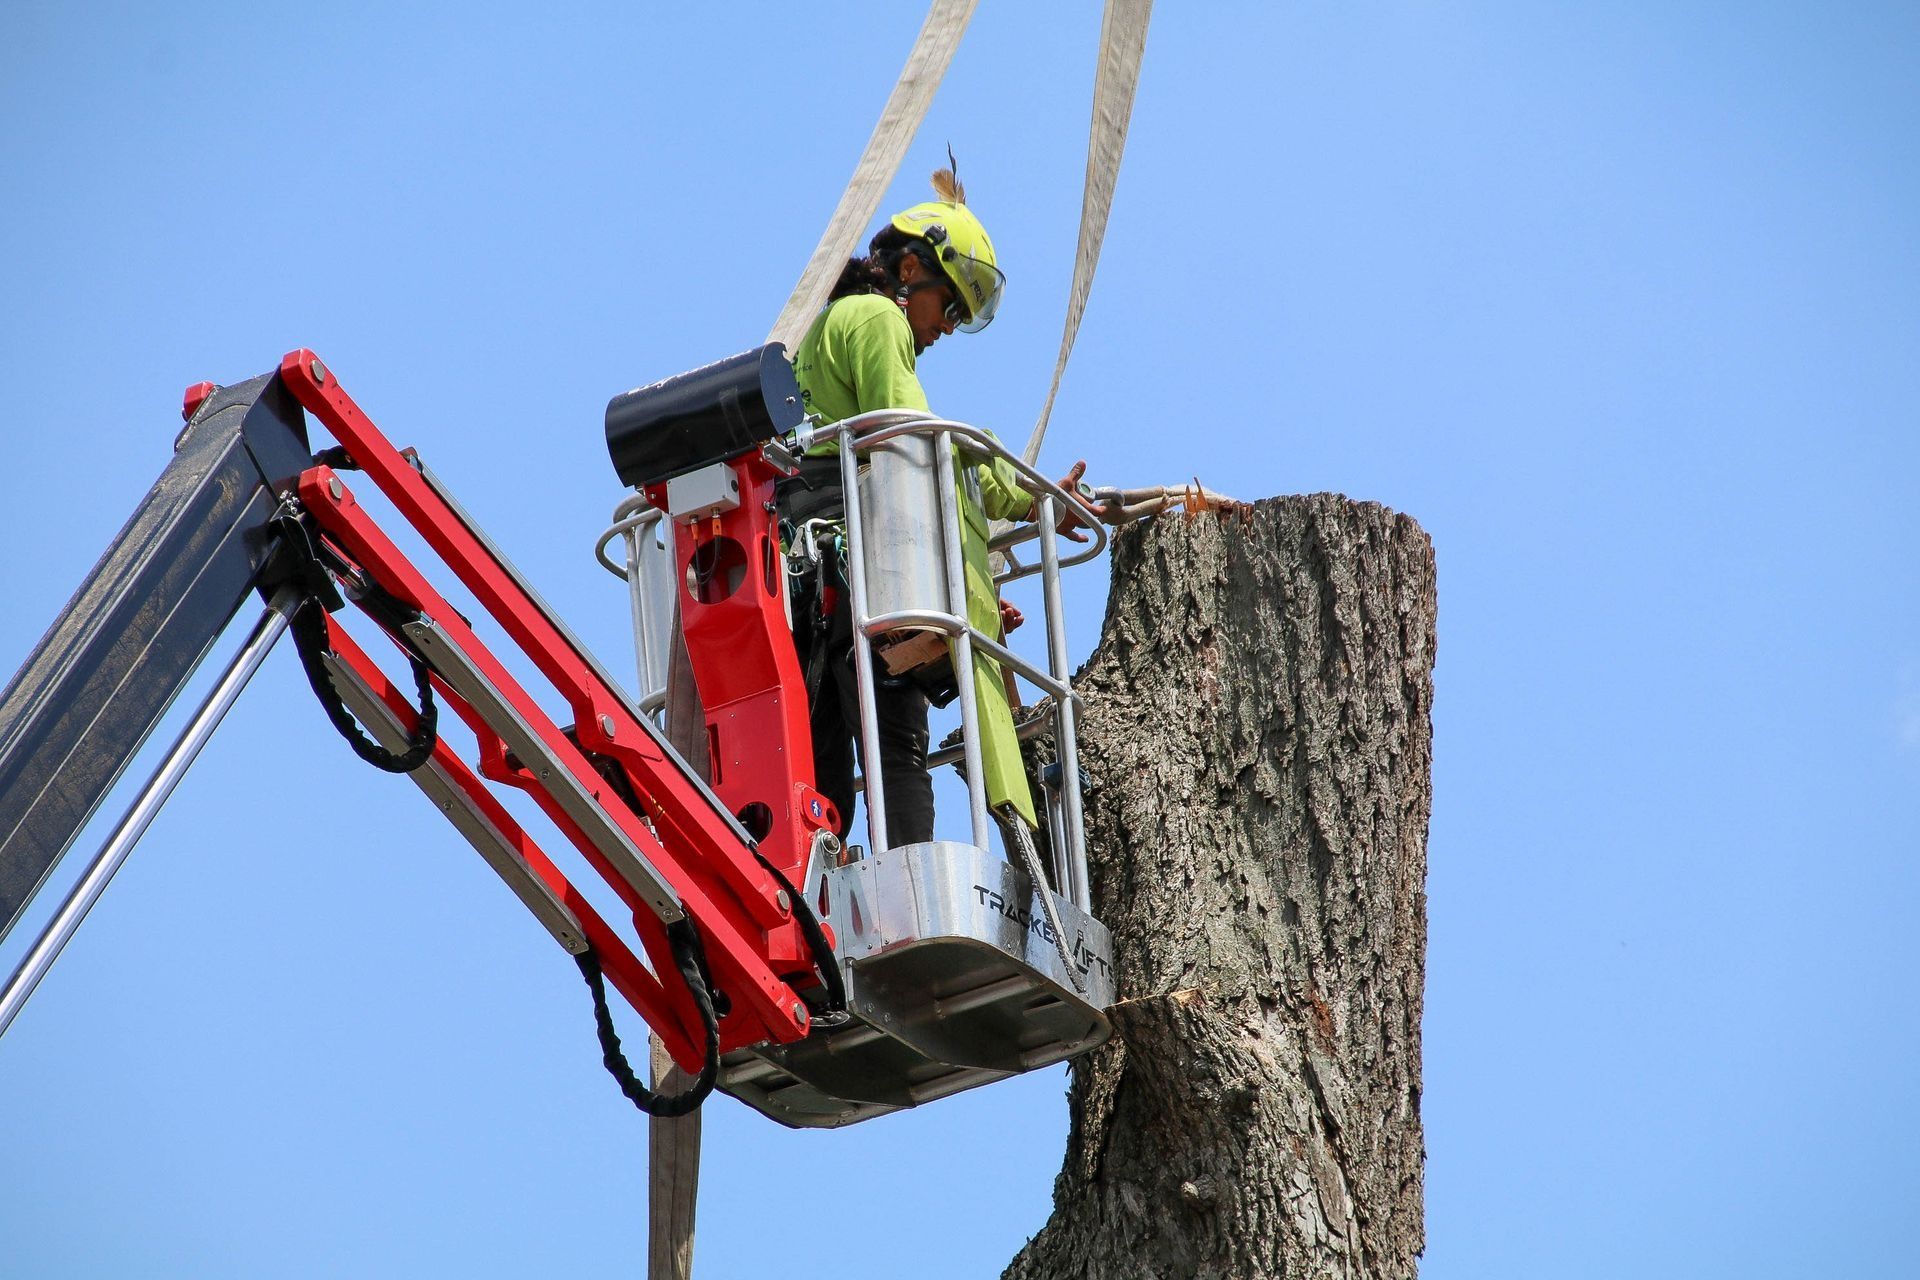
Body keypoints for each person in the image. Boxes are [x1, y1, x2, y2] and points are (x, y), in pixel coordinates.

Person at [779, 167, 1090, 851]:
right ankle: (908, 905)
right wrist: (1026, 498)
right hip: (845, 569)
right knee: (896, 751)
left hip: (799, 576)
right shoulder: (876, 318)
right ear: (911, 267)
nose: (946, 330)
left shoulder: (828, 327)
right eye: (948, 308)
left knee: (818, 767)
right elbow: (922, 448)